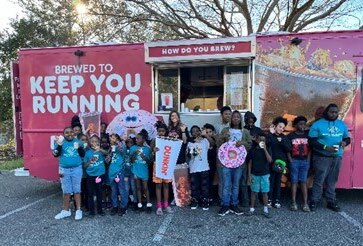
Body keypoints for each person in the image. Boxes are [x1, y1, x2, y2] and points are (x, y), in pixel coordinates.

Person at [308, 103, 350, 212]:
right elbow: (311, 141)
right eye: (331, 112)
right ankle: (314, 201)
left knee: (332, 180)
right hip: (322, 157)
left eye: (336, 112)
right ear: (327, 112)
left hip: (337, 157)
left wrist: (344, 143)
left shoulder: (341, 124)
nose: (334, 114)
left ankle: (331, 201)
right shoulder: (317, 124)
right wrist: (326, 147)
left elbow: (347, 138)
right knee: (319, 180)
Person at [217, 110, 252, 216]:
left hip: (239, 163)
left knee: (236, 185)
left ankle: (234, 205)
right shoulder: (225, 130)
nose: (236, 118)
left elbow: (250, 145)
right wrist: (223, 137)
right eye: (234, 117)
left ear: (240, 119)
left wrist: (243, 143)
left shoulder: (245, 131)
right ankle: (225, 205)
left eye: (238, 117)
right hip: (226, 163)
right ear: (231, 119)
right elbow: (218, 144)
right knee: (226, 185)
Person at [53, 127, 85, 220]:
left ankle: (78, 210)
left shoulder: (78, 141)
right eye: (67, 133)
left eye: (71, 132)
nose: (69, 134)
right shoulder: (60, 141)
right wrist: (59, 145)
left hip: (77, 168)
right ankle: (66, 211)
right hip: (64, 169)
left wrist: (79, 148)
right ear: (63, 134)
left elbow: (83, 154)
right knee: (66, 191)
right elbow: (55, 154)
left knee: (77, 190)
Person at [187, 125, 214, 210]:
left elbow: (212, 143)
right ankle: (195, 201)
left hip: (204, 168)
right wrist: (194, 147)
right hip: (194, 168)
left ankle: (205, 201)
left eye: (197, 130)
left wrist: (205, 135)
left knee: (205, 186)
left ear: (200, 131)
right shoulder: (190, 143)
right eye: (193, 131)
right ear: (191, 134)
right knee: (194, 186)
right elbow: (189, 155)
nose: (195, 132)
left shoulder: (205, 141)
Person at [267, 116, 291, 209]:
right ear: (275, 126)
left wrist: (281, 142)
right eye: (279, 126)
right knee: (271, 181)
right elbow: (267, 144)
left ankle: (277, 200)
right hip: (271, 163)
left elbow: (289, 148)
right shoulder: (270, 135)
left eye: (283, 127)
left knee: (278, 181)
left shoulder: (284, 137)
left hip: (281, 163)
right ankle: (269, 200)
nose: (281, 129)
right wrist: (271, 134)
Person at [287, 116, 311, 212]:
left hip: (304, 161)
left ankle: (305, 203)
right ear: (295, 125)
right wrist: (290, 160)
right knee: (294, 182)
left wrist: (308, 160)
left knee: (303, 182)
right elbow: (287, 149)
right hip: (295, 161)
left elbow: (310, 149)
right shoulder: (291, 136)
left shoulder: (307, 136)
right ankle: (293, 202)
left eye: (304, 124)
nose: (303, 126)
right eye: (300, 124)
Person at [246, 133, 272, 218]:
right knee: (254, 192)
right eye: (260, 140)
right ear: (256, 140)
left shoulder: (267, 149)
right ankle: (251, 209)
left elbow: (270, 160)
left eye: (263, 140)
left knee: (265, 192)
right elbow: (250, 163)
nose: (262, 142)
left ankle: (265, 209)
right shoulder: (252, 150)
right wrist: (249, 175)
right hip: (255, 174)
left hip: (265, 174)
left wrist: (264, 149)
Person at [151, 121, 173, 216]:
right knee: (158, 186)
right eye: (159, 131)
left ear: (166, 132)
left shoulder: (170, 141)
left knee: (166, 185)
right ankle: (159, 206)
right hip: (157, 165)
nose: (161, 133)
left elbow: (172, 153)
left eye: (163, 131)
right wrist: (154, 151)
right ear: (157, 131)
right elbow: (151, 155)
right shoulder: (154, 141)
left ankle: (166, 205)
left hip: (166, 165)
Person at [83, 135, 107, 216]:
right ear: (89, 142)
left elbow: (107, 153)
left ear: (99, 143)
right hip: (90, 175)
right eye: (92, 141)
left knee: (99, 193)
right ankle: (91, 211)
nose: (94, 143)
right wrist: (90, 161)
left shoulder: (100, 151)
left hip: (99, 175)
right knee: (90, 193)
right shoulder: (87, 153)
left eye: (96, 141)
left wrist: (100, 149)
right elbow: (84, 166)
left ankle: (100, 210)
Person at [130, 130, 152, 212]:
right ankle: (139, 204)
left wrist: (143, 156)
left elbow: (149, 162)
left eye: (138, 138)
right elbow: (131, 160)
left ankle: (148, 204)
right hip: (136, 170)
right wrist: (134, 154)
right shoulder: (133, 148)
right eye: (136, 139)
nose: (136, 140)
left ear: (143, 140)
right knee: (138, 188)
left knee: (145, 188)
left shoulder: (147, 149)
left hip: (144, 171)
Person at [215, 106, 232, 205]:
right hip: (221, 156)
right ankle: (222, 200)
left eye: (229, 114)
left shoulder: (235, 126)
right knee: (222, 179)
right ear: (221, 115)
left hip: (232, 157)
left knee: (230, 179)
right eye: (226, 114)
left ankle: (230, 199)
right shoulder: (217, 127)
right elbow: (216, 141)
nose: (228, 116)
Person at [108, 133, 128, 216]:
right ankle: (115, 206)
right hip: (112, 171)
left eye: (114, 138)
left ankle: (123, 206)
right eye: (111, 138)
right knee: (113, 190)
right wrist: (108, 158)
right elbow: (109, 158)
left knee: (122, 190)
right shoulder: (111, 148)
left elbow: (123, 150)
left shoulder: (122, 145)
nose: (111, 139)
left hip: (119, 170)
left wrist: (116, 142)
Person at [203, 123, 218, 203]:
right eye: (206, 132)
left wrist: (206, 135)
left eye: (210, 132)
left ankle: (212, 197)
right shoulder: (202, 140)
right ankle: (206, 197)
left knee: (213, 180)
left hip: (213, 163)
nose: (208, 133)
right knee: (206, 181)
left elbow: (212, 143)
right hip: (204, 164)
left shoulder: (214, 140)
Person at [124, 136, 137, 209]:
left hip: (132, 172)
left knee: (133, 188)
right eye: (127, 142)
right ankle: (127, 201)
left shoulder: (135, 150)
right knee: (126, 188)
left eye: (131, 142)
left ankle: (135, 202)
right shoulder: (124, 150)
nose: (129, 143)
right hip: (125, 172)